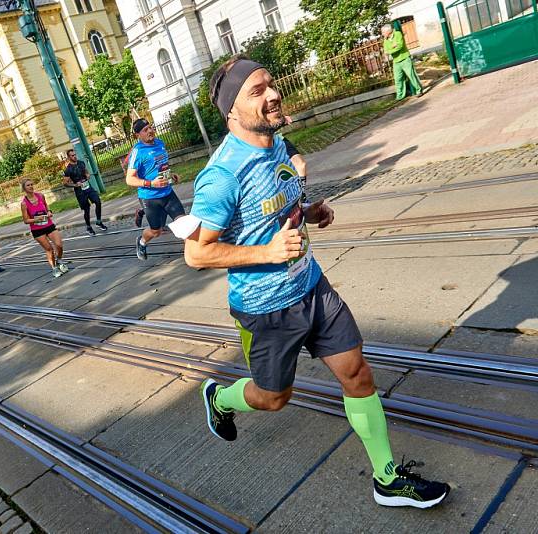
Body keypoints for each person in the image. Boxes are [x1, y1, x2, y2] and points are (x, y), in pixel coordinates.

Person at [181, 56, 449, 509]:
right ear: (231, 111)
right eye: (256, 91)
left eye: (270, 84)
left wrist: (307, 213)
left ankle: (386, 478)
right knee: (273, 398)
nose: (271, 95)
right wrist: (267, 252)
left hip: (311, 286)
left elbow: (272, 208)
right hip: (265, 307)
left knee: (357, 374)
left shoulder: (278, 145)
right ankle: (222, 397)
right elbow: (196, 253)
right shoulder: (222, 176)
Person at [125, 118, 186, 260]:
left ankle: (195, 256)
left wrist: (171, 175)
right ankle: (142, 241)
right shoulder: (138, 152)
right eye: (145, 130)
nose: (150, 131)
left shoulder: (160, 143)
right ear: (138, 135)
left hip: (168, 193)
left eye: (150, 127)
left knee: (183, 223)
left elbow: (161, 165)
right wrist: (152, 183)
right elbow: (129, 179)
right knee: (156, 231)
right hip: (150, 198)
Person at [20, 180, 67, 278]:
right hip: (37, 229)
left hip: (48, 225)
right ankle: (54, 268)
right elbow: (25, 220)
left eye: (32, 184)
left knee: (59, 245)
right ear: (24, 188)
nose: (31, 186)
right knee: (49, 249)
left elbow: (46, 206)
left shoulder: (40, 195)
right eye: (28, 185)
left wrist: (49, 211)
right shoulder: (24, 203)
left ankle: (59, 261)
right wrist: (36, 219)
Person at [63, 149, 107, 236]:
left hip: (88, 187)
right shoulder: (68, 169)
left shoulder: (81, 163)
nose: (74, 156)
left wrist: (88, 175)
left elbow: (86, 172)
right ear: (68, 157)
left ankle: (98, 221)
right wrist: (75, 185)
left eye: (75, 154)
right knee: (87, 210)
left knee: (97, 201)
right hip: (80, 192)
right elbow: (65, 183)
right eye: (72, 155)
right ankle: (88, 227)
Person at [382, 23, 422, 101]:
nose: (382, 34)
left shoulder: (398, 34)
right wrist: (393, 47)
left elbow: (400, 46)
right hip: (396, 61)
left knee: (411, 75)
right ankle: (400, 96)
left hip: (405, 58)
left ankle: (419, 91)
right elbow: (386, 50)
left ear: (388, 31)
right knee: (398, 79)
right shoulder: (385, 40)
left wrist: (390, 50)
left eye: (383, 32)